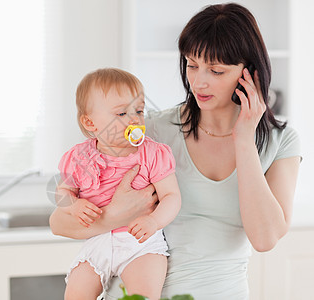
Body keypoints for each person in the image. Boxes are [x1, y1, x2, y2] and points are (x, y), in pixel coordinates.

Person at [50, 3, 301, 299]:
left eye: (216, 70)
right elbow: (58, 222)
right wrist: (114, 215)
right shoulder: (149, 130)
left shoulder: (280, 141)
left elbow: (265, 238)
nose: (198, 81)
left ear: (250, 74)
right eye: (192, 65)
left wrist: (244, 140)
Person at [56, 68, 182, 300]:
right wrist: (73, 205)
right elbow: (62, 191)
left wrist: (154, 220)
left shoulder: (152, 153)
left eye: (139, 110)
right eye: (122, 113)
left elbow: (172, 197)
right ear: (90, 122)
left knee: (143, 295)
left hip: (141, 243)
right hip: (97, 241)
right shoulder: (79, 157)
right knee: (75, 294)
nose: (134, 119)